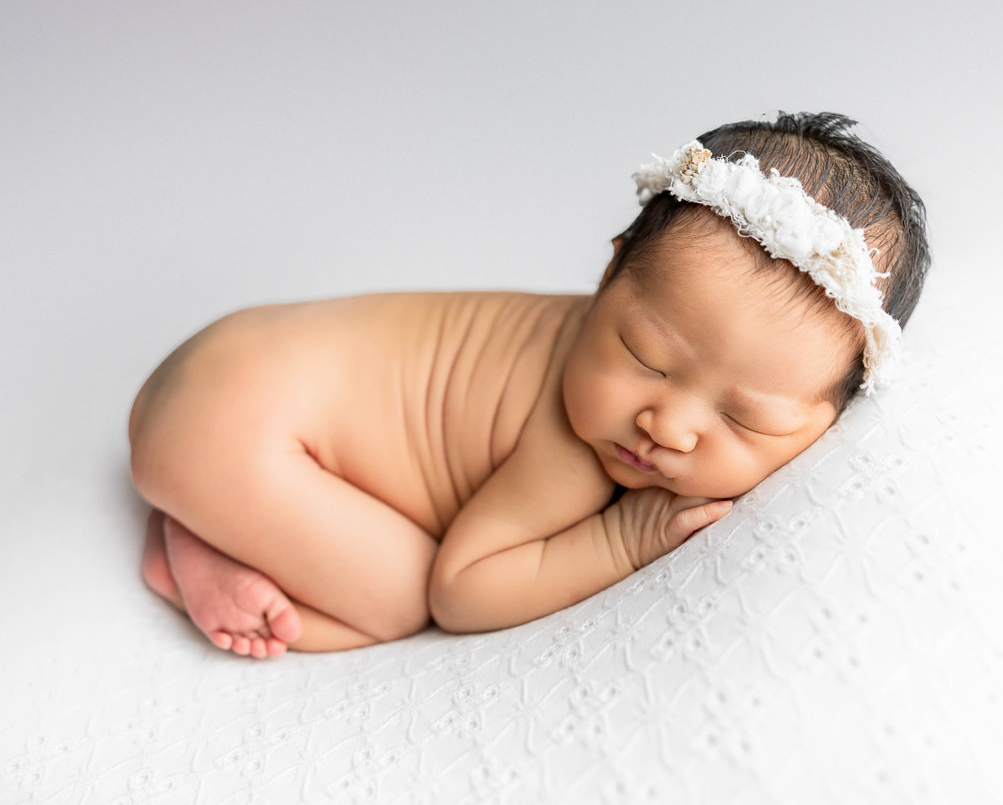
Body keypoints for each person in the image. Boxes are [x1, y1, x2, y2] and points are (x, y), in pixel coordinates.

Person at [129, 112, 930, 658]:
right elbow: (464, 590)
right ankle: (199, 542)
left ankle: (218, 511)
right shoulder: (577, 444)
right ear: (610, 271)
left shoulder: (647, 351)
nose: (669, 424)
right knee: (402, 597)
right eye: (645, 357)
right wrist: (625, 537)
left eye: (742, 417)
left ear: (831, 414)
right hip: (229, 422)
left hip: (234, 364)